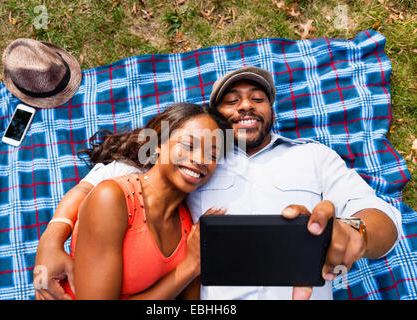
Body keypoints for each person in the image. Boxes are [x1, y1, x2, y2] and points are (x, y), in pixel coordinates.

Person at [35, 66, 401, 300]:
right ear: (216, 117)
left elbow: (382, 218)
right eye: (231, 100)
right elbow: (93, 186)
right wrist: (52, 238)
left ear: (271, 112)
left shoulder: (313, 156)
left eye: (258, 99)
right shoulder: (191, 159)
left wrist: (357, 233)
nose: (245, 106)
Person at [35, 103, 227, 300]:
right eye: (188, 145)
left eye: (213, 154)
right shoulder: (112, 195)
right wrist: (190, 267)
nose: (201, 159)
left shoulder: (191, 225)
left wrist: (196, 263)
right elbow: (83, 189)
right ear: (157, 144)